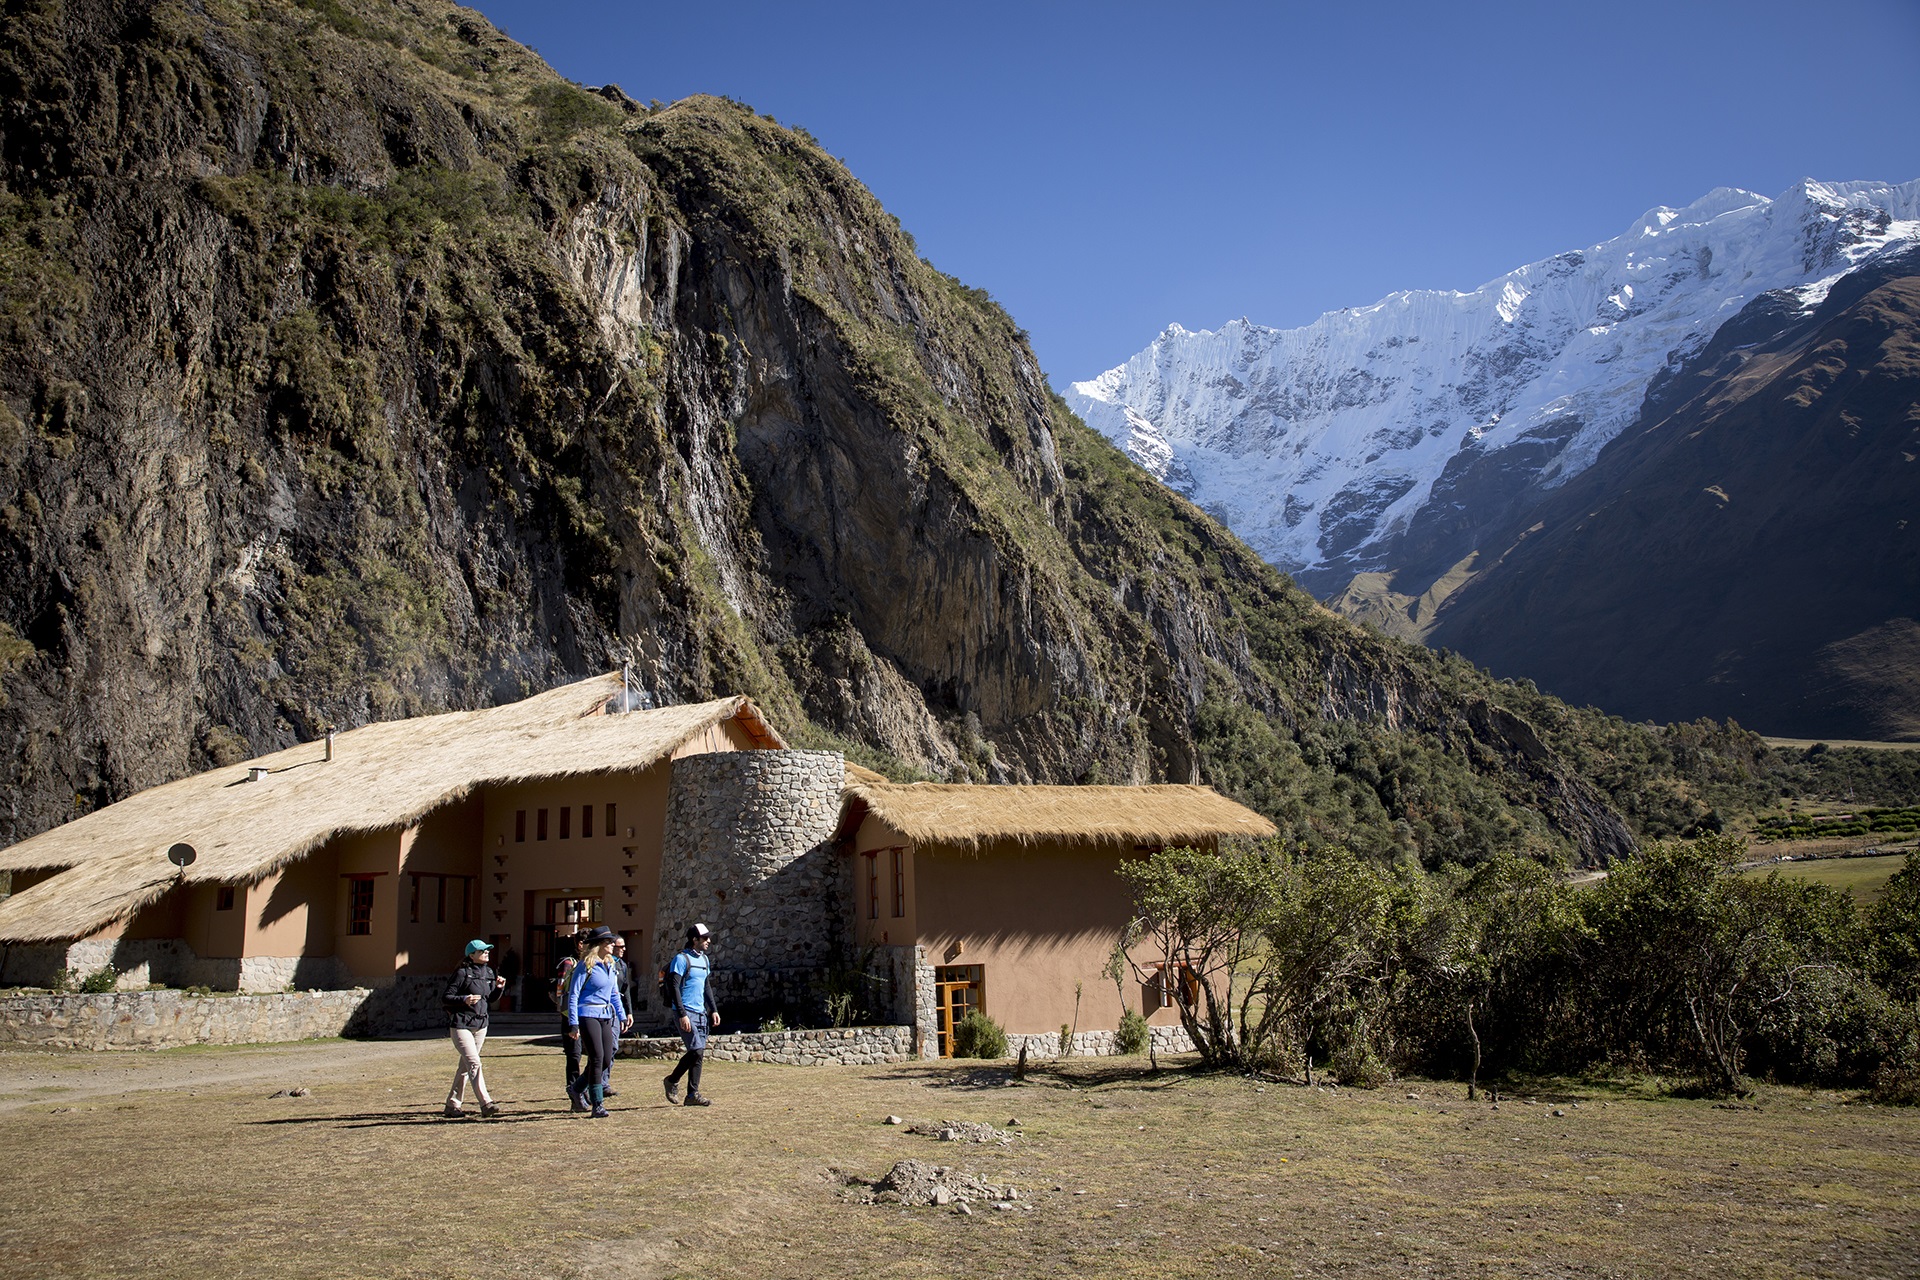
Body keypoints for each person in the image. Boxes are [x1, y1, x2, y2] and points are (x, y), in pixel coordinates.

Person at [565, 926, 631, 1119]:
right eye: (609, 942)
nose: (613, 945)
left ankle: (576, 1089)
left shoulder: (610, 965)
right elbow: (574, 994)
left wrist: (622, 1015)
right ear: (599, 945)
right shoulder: (585, 965)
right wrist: (573, 1023)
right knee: (596, 1058)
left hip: (605, 1014)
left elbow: (614, 994)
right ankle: (597, 1104)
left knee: (605, 1059)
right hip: (587, 1013)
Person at [443, 939, 506, 1119]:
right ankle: (486, 1103)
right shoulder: (462, 973)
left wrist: (499, 988)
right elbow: (446, 997)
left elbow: (491, 998)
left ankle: (452, 1104)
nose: (486, 952)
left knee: (466, 1066)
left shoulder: (489, 973)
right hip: (461, 1025)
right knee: (474, 1063)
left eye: (487, 950)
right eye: (482, 951)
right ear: (471, 955)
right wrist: (464, 999)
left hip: (481, 1025)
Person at [663, 922, 720, 1107]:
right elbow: (673, 987)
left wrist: (714, 1010)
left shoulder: (704, 960)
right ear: (694, 939)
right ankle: (672, 1080)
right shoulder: (681, 959)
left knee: (698, 1053)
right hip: (686, 1011)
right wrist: (682, 1014)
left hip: (701, 1012)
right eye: (705, 938)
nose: (708, 941)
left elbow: (706, 986)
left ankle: (692, 1095)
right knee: (696, 1049)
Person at [552, 932, 587, 1103]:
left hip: (586, 1015)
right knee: (574, 1055)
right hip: (570, 1016)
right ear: (580, 944)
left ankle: (583, 1088)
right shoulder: (569, 964)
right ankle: (574, 1090)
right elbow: (560, 991)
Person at [604, 935, 637, 1098]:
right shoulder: (604, 963)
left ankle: (604, 1082)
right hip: (603, 1011)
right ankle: (597, 1083)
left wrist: (628, 1012)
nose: (624, 949)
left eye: (624, 946)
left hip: (617, 1012)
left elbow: (625, 991)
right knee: (604, 1049)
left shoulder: (622, 966)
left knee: (613, 1047)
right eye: (620, 946)